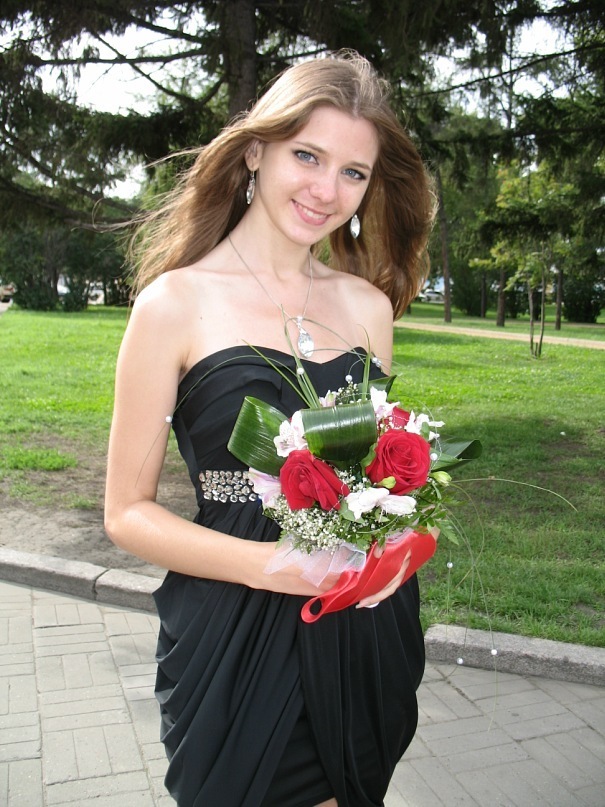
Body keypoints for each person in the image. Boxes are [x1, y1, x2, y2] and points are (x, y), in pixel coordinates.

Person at [105, 50, 435, 807]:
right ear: (256, 151)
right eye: (306, 156)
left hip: (357, 632)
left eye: (353, 172)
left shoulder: (367, 308)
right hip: (235, 631)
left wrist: (401, 536)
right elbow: (125, 512)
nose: (326, 190)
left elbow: (370, 473)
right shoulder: (174, 304)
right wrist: (272, 566)